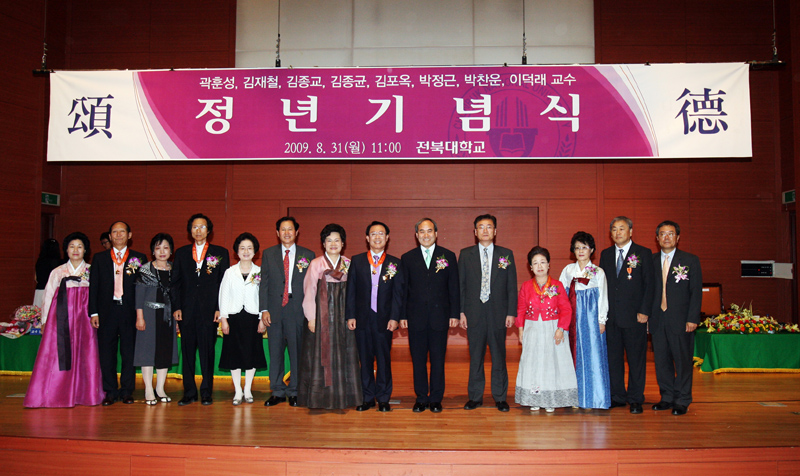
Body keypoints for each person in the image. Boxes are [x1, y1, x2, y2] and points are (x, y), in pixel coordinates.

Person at [24, 232, 104, 408]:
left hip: (85, 320)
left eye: (80, 247)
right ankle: (56, 393)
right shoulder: (58, 272)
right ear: (66, 250)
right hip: (60, 320)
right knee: (58, 355)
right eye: (72, 246)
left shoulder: (92, 270)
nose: (76, 250)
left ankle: (85, 394)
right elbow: (47, 297)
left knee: (86, 353)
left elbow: (99, 296)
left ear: (85, 250)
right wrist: (44, 321)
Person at [297, 224, 361, 409]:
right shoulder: (316, 264)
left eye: (337, 240)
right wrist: (311, 318)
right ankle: (319, 399)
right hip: (320, 318)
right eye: (329, 240)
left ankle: (344, 398)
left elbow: (354, 293)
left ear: (343, 243)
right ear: (323, 243)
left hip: (342, 317)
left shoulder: (348, 264)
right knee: (320, 357)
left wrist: (352, 316)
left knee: (344, 355)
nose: (333, 244)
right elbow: (309, 292)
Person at [458, 214, 518, 412]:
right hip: (473, 313)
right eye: (481, 227)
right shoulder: (465, 254)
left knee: (499, 356)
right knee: (476, 356)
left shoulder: (505, 254)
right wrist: (461, 312)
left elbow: (511, 286)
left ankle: (500, 397)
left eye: (489, 227)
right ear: (475, 232)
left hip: (498, 314)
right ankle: (475, 397)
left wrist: (511, 312)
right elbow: (461, 286)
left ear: (495, 231)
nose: (485, 230)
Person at [400, 218, 459, 413]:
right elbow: (403, 289)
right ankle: (420, 398)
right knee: (418, 361)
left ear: (436, 233)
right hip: (415, 317)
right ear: (416, 235)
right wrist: (402, 315)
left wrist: (454, 313)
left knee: (438, 360)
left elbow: (454, 287)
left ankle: (435, 399)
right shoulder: (407, 258)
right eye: (422, 231)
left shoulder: (448, 256)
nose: (426, 235)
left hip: (439, 317)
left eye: (429, 231)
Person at [346, 221, 404, 412]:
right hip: (362, 318)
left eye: (381, 234)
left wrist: (395, 317)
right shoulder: (357, 260)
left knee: (383, 359)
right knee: (365, 359)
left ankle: (384, 397)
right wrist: (350, 315)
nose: (377, 237)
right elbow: (351, 290)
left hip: (384, 320)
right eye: (373, 234)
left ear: (387, 238)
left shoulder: (395, 263)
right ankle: (367, 397)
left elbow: (398, 294)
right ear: (367, 238)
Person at [598, 216, 655, 414]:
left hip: (635, 317)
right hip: (612, 318)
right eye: (614, 229)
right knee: (613, 359)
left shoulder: (643, 253)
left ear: (630, 231)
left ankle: (636, 398)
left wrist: (644, 311)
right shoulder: (605, 254)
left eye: (622, 229)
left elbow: (649, 284)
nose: (618, 233)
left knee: (636, 359)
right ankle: (617, 396)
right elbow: (603, 286)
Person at [172, 213, 230, 406]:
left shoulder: (220, 252)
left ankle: (206, 392)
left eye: (202, 227)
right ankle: (189, 392)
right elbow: (175, 283)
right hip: (186, 311)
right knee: (187, 353)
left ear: (209, 230)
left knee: (207, 353)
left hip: (209, 312)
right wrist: (177, 307)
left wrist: (220, 308)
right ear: (190, 231)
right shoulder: (181, 253)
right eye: (195, 227)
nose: (198, 230)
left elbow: (224, 284)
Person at [88, 221, 147, 406]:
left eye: (122, 232)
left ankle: (127, 391)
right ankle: (110, 391)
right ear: (110, 236)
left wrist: (142, 313)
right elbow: (93, 287)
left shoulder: (139, 257)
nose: (119, 235)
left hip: (130, 311)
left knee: (129, 352)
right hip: (107, 311)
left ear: (129, 235)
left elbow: (143, 288)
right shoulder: (100, 258)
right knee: (107, 352)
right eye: (115, 232)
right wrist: (93, 312)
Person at [259, 216, 316, 407]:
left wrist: (311, 312)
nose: (286, 233)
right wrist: (264, 309)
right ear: (277, 233)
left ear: (297, 232)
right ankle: (277, 391)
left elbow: (312, 286)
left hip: (297, 309)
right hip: (274, 310)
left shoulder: (308, 254)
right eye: (283, 229)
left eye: (290, 229)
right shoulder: (269, 254)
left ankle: (295, 391)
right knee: (275, 352)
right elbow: (264, 283)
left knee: (296, 352)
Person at [515, 246, 577, 412]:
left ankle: (551, 400)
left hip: (553, 328)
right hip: (532, 328)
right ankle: (534, 398)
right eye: (535, 263)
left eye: (542, 262)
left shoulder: (557, 285)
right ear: (530, 267)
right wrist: (520, 329)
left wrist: (561, 329)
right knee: (533, 362)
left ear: (549, 265)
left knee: (552, 363)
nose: (539, 266)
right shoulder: (526, 286)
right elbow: (520, 309)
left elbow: (566, 309)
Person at [650, 221, 702, 416]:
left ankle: (682, 400)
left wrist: (692, 318)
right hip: (657, 319)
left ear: (677, 237)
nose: (666, 237)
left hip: (681, 320)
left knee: (682, 361)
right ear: (657, 238)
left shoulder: (690, 260)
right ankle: (667, 397)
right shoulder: (651, 261)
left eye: (670, 234)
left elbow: (696, 292)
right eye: (662, 234)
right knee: (661, 361)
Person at [558, 231, 611, 410]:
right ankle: (574, 398)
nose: (581, 251)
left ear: (592, 250)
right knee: (572, 356)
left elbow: (603, 297)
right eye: (577, 248)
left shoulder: (598, 272)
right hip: (572, 320)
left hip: (590, 321)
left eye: (584, 247)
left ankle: (591, 399)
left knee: (592, 357)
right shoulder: (568, 270)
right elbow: (560, 296)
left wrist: (601, 320)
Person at [219, 232, 268, 405]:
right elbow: (223, 295)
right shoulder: (229, 272)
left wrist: (262, 319)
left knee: (251, 354)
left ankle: (247, 389)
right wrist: (224, 318)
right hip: (234, 318)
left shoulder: (260, 272)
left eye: (249, 248)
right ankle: (237, 390)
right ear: (237, 251)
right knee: (234, 355)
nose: (246, 251)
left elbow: (264, 297)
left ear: (255, 251)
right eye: (242, 248)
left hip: (253, 318)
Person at [133, 233, 178, 405]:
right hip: (149, 315)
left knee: (164, 353)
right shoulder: (145, 270)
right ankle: (148, 390)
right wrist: (140, 317)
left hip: (168, 317)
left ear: (171, 251)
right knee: (147, 352)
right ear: (153, 251)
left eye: (166, 248)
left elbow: (176, 296)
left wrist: (176, 320)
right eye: (158, 248)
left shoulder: (174, 270)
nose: (162, 251)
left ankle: (160, 388)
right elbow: (139, 296)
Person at [34, 238, 62, 308]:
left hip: (40, 290)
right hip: (54, 291)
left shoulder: (40, 261)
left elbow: (36, 278)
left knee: (38, 312)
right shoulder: (60, 263)